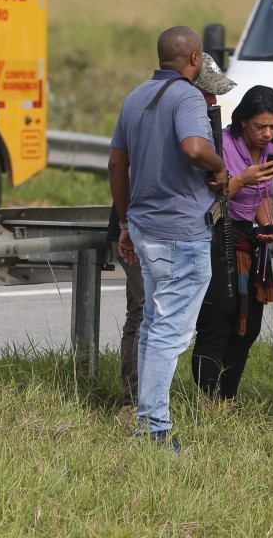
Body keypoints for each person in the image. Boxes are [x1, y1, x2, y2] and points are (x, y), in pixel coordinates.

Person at [109, 27, 229, 451]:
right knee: (169, 333)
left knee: (153, 326)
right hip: (182, 233)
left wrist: (125, 223)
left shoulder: (135, 97)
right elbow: (195, 147)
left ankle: (146, 415)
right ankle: (154, 429)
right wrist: (219, 168)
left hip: (145, 229)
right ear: (195, 57)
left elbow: (116, 165)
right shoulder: (189, 97)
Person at [191, 84, 273, 402]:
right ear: (243, 119)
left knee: (250, 325)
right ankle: (207, 399)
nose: (267, 134)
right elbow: (210, 200)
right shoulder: (221, 144)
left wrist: (269, 227)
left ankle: (228, 399)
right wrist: (243, 177)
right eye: (261, 126)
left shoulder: (270, 150)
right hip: (220, 232)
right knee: (220, 318)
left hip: (252, 240)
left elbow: (264, 197)